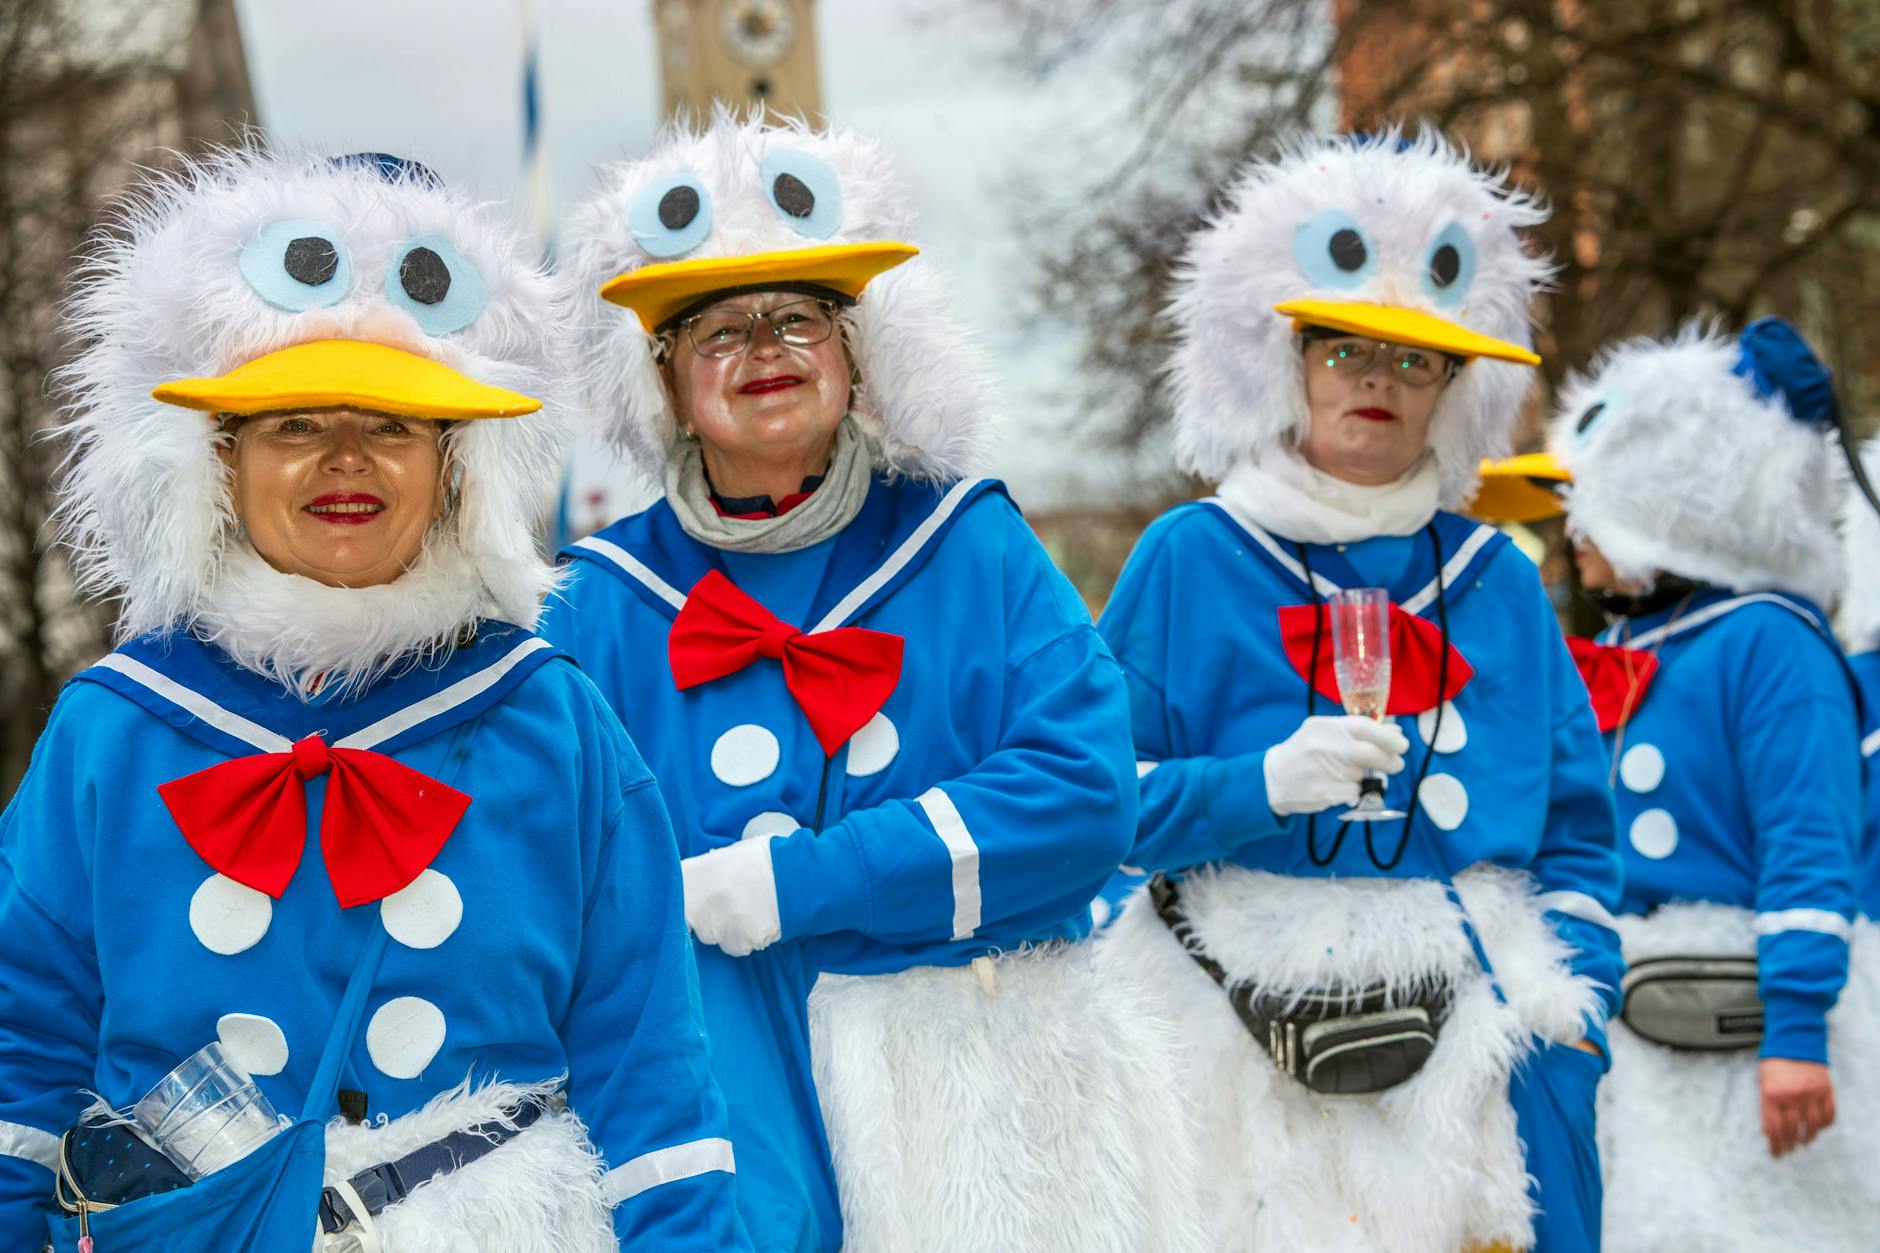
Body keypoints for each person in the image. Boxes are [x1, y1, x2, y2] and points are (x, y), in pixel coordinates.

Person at [0, 150, 744, 1252]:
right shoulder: (112, 729)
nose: (344, 459)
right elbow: (25, 1038)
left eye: (393, 425)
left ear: (454, 467)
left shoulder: (554, 720)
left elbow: (652, 1079)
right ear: (218, 462)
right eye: (294, 423)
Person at [546, 113, 1205, 1252]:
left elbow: (1088, 793)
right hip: (722, 1099)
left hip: (980, 1107)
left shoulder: (970, 543)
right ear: (661, 378)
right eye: (714, 328)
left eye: (798, 316)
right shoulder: (594, 603)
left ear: (856, 352)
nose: (765, 347)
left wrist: (803, 880)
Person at [1093, 130, 1623, 1253]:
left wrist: (1571, 1027)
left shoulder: (1497, 581)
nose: (1378, 381)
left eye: (1415, 359)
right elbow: (1095, 806)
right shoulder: (1185, 558)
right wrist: (1254, 786)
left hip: (1475, 1065)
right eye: (1342, 348)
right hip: (1227, 1053)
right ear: (1281, 362)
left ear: (1452, 383)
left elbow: (1578, 830)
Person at [1553, 320, 1880, 1250]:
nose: (1573, 530)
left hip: (1747, 1037)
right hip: (1638, 1045)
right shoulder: (1628, 644)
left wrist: (1798, 1035)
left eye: (1593, 505)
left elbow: (1809, 843)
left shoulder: (1770, 639)